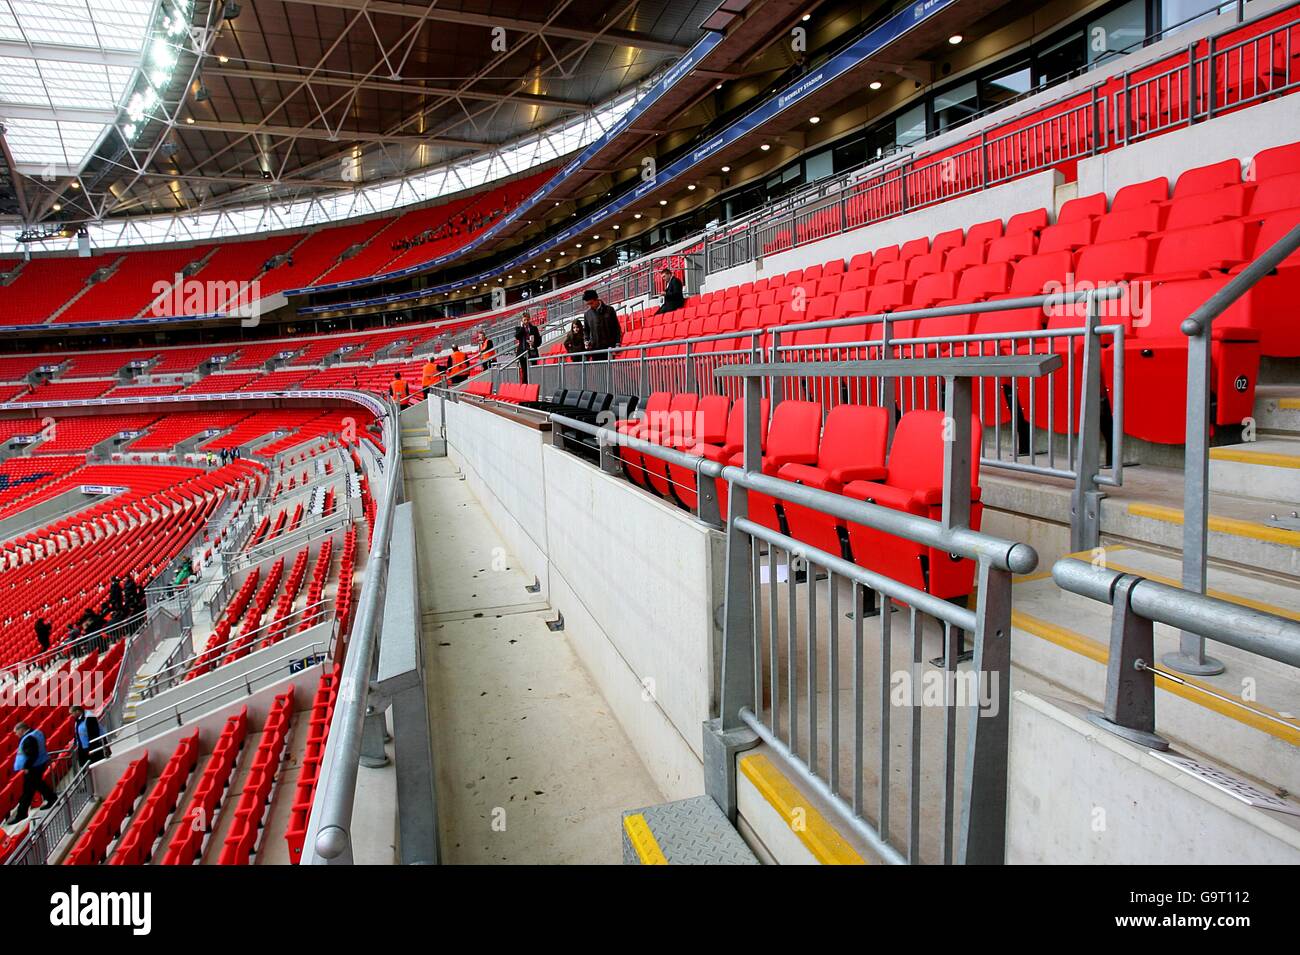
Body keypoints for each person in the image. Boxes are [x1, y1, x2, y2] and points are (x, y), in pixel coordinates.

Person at [10, 722, 55, 823]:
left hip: (33, 767)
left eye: (16, 732)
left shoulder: (28, 739)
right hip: (40, 763)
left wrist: (27, 767)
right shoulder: (37, 733)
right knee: (38, 784)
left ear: (21, 729)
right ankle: (51, 798)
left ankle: (21, 814)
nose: (16, 735)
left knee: (28, 791)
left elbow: (32, 754)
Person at [582, 289, 622, 360]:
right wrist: (586, 341)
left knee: (608, 370)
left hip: (609, 348)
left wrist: (617, 344)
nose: (590, 306)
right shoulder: (587, 314)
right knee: (598, 371)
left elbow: (616, 328)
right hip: (595, 350)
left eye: (591, 303)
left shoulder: (610, 310)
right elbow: (586, 331)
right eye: (588, 304)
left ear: (597, 299)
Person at [513, 312, 541, 384]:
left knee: (534, 370)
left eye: (527, 320)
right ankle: (525, 387)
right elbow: (517, 336)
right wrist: (522, 328)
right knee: (524, 372)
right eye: (524, 320)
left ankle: (535, 385)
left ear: (529, 319)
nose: (526, 321)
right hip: (523, 352)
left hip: (532, 351)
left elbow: (539, 340)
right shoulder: (518, 328)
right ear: (522, 320)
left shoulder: (534, 328)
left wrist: (533, 343)